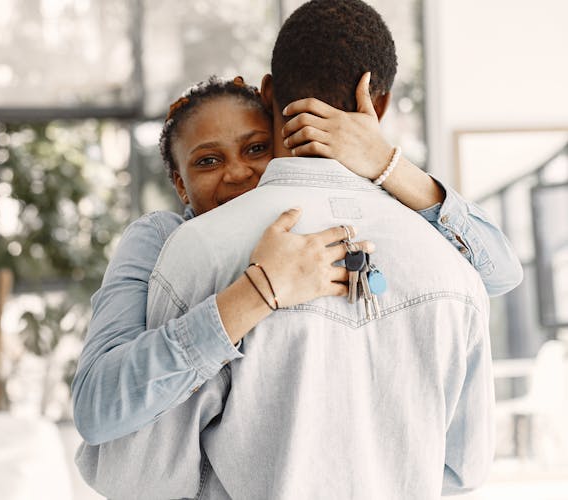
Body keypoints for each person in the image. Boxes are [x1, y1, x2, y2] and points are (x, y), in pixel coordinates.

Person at [75, 0, 510, 498]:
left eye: (256, 148)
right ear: (178, 182)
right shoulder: (167, 244)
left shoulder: (198, 256)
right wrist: (258, 292)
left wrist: (388, 163)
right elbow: (462, 470)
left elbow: (141, 477)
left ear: (271, 101)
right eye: (209, 160)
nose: (238, 174)